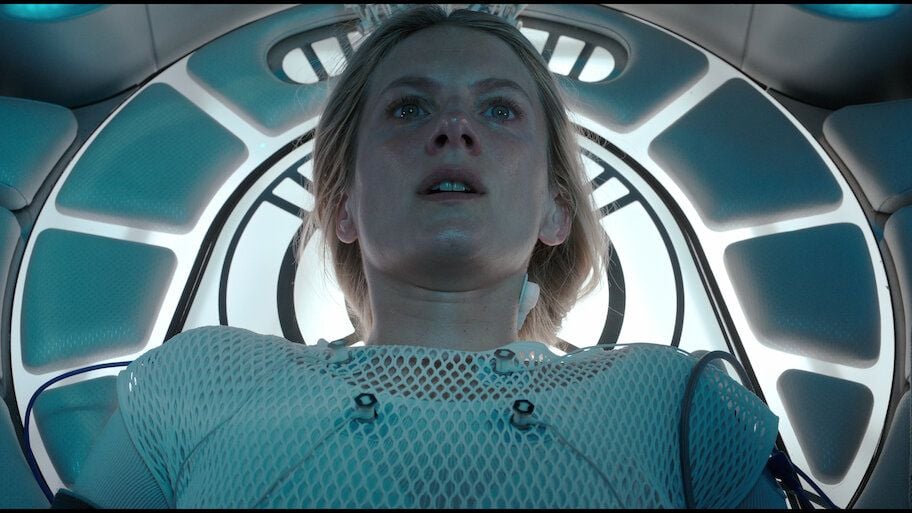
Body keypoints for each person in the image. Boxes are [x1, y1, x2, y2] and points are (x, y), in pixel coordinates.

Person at [51, 5, 786, 508]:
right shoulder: (198, 381)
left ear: (555, 210)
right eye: (409, 108)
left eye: (499, 109)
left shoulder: (673, 404)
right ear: (344, 205)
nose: (455, 128)